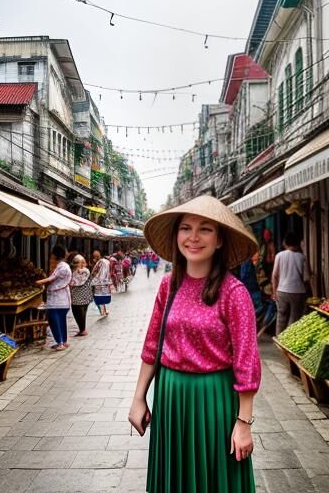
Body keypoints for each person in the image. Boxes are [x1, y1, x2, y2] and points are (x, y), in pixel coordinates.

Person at [128, 195, 261, 493]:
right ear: (176, 236)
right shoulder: (168, 285)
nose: (193, 237)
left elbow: (247, 362)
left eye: (205, 229)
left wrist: (243, 423)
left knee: (215, 479)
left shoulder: (234, 292)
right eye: (185, 228)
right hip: (171, 397)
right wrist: (138, 398)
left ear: (220, 241)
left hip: (213, 400)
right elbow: (153, 345)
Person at [272, 232, 311, 335]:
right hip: (298, 292)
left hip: (282, 291)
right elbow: (306, 278)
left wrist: (274, 292)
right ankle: (289, 341)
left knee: (281, 317)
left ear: (285, 243)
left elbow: (275, 276)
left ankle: (279, 340)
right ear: (298, 243)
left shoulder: (279, 255)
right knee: (295, 317)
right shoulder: (302, 257)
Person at [36, 245, 71, 351]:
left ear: (54, 255)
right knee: (61, 321)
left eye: (51, 256)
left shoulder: (61, 266)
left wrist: (39, 282)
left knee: (54, 321)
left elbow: (52, 278)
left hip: (57, 300)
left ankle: (60, 343)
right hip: (62, 299)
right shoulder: (64, 265)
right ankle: (63, 341)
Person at [69, 254, 93, 336]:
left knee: (79, 313)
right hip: (80, 297)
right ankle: (82, 329)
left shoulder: (84, 271)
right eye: (74, 262)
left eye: (76, 262)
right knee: (80, 313)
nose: (74, 264)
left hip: (80, 297)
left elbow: (74, 282)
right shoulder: (78, 271)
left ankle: (83, 330)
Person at [90, 251, 112, 318]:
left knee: (97, 296)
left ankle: (102, 311)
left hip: (97, 282)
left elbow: (94, 271)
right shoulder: (106, 261)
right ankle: (104, 311)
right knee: (102, 296)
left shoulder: (98, 262)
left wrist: (91, 277)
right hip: (105, 282)